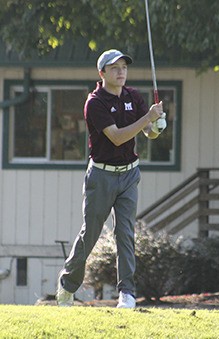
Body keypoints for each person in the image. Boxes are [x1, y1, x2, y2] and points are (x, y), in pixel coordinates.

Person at [56, 49, 166, 308]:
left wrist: (157, 126)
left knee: (125, 232)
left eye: (124, 67)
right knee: (90, 234)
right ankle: (67, 284)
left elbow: (147, 132)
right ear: (102, 73)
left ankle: (127, 293)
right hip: (101, 175)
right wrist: (147, 118)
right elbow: (117, 137)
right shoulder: (95, 102)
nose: (121, 72)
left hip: (129, 173)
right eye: (114, 68)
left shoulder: (133, 96)